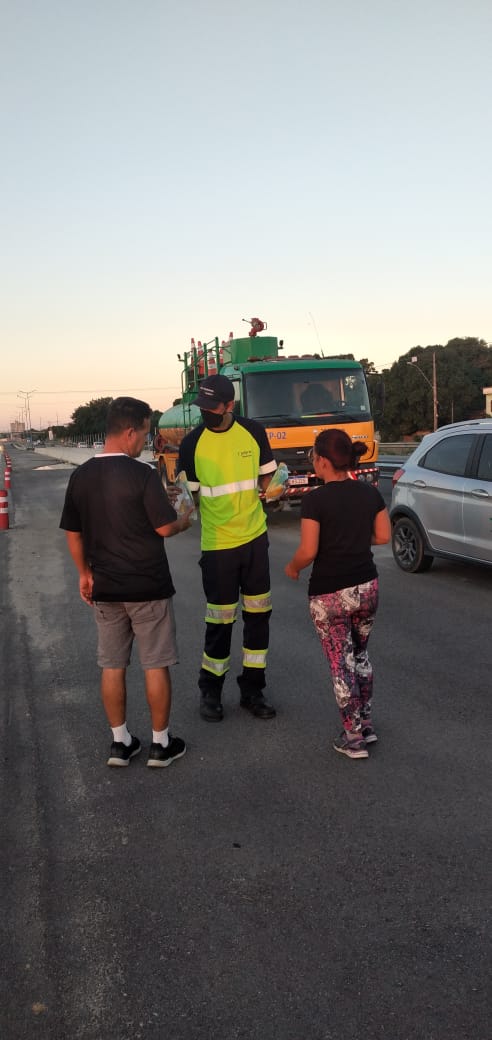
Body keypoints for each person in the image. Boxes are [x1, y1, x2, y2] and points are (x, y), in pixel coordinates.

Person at [60, 397, 192, 769]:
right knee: (155, 665)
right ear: (130, 431)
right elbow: (165, 526)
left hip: (106, 587)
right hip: (148, 586)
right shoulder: (143, 474)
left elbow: (73, 533)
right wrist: (184, 520)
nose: (146, 442)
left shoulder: (81, 476)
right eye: (146, 433)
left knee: (112, 666)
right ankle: (160, 745)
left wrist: (85, 573)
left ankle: (120, 743)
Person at [285, 428, 390, 760]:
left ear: (324, 461)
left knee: (339, 664)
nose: (313, 462)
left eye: (314, 456)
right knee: (360, 657)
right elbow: (383, 536)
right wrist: (355, 538)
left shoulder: (315, 500)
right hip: (366, 588)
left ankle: (353, 737)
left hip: (330, 593)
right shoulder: (370, 493)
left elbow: (308, 550)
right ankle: (366, 724)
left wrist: (293, 567)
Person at [177, 374, 278, 722]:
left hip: (254, 540)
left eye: (211, 407)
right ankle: (211, 692)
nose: (205, 412)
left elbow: (269, 478)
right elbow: (186, 498)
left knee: (258, 618)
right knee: (219, 622)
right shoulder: (190, 445)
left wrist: (275, 487)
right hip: (218, 546)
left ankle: (253, 690)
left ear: (229, 406)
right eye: (201, 406)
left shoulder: (253, 432)